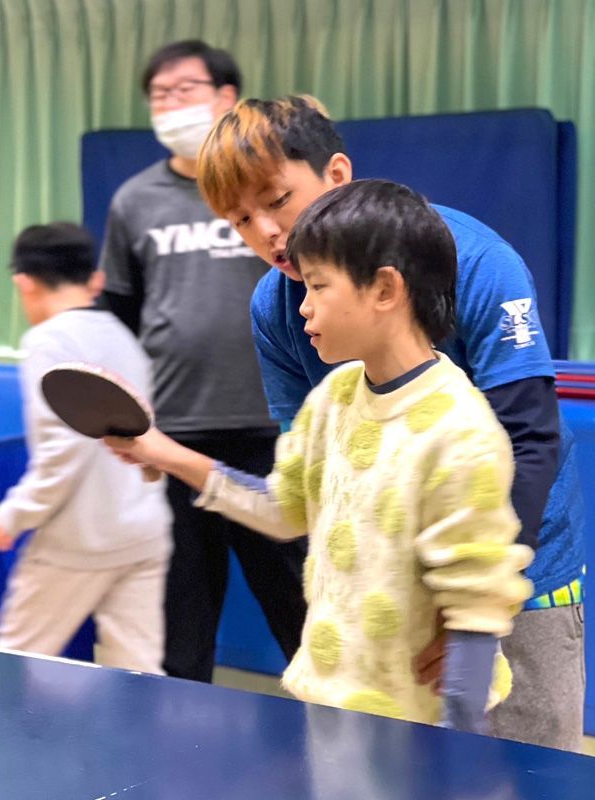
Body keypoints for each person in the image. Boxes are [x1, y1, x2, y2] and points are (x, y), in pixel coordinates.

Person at [195, 94, 586, 751]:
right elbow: (309, 478)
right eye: (239, 220)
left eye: (277, 199)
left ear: (336, 174)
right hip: (389, 591)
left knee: (528, 771)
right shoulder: (275, 308)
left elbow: (531, 437)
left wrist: (472, 610)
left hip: (520, 568)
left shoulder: (478, 262)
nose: (265, 231)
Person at [109, 179, 534, 733]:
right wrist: (161, 452)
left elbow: (475, 613)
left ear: (385, 289)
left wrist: (457, 758)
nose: (303, 307)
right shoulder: (335, 397)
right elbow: (284, 509)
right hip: (327, 710)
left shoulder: (459, 431)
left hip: (413, 733)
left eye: (317, 286)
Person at [98, 40, 305, 683]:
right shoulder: (134, 200)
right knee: (180, 628)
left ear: (226, 97)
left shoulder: (273, 194)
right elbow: (120, 317)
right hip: (172, 440)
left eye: (184, 90)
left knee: (307, 617)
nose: (170, 104)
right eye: (159, 95)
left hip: (274, 435)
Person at [0, 223, 172, 673]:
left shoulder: (47, 341)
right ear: (92, 278)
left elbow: (64, 451)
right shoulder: (122, 335)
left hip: (79, 540)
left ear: (24, 283)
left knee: (13, 664)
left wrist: (12, 517)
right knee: (137, 674)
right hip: (144, 531)